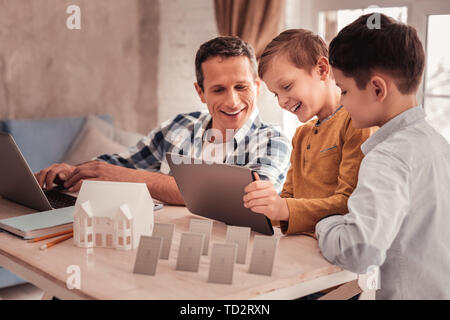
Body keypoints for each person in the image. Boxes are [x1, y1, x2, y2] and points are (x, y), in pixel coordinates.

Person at [35, 36, 291, 205]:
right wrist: (73, 171)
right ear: (200, 92)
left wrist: (132, 178)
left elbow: (242, 198)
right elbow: (124, 163)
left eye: (241, 86)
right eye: (218, 90)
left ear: (257, 87)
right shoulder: (180, 126)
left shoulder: (272, 140)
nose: (233, 101)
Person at [315, 13, 450, 299]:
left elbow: (359, 250)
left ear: (377, 88)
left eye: (344, 90)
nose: (341, 101)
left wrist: (325, 224)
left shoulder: (387, 158)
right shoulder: (438, 145)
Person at [243, 29, 374, 236]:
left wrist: (283, 208)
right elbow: (288, 198)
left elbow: (348, 203)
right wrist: (260, 207)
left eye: (286, 86)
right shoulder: (301, 135)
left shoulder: (357, 123)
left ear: (322, 69)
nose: (282, 101)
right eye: (276, 94)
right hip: (302, 245)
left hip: (335, 254)